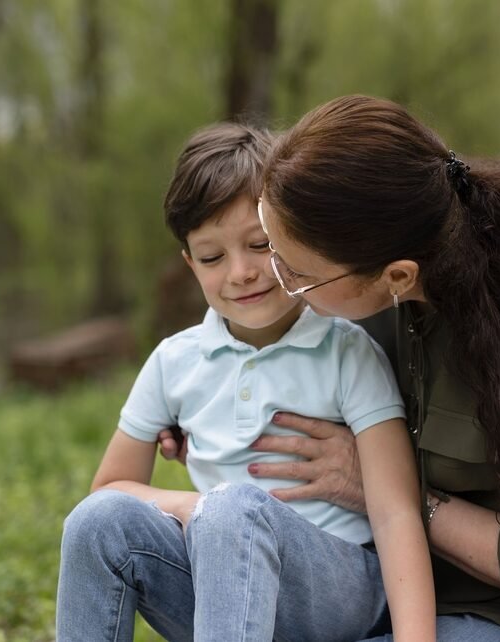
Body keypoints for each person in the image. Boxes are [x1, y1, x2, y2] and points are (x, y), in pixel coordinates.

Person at [167, 94, 500, 642]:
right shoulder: (367, 278)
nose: (277, 280)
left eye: (297, 275)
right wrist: (206, 405)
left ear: (397, 276)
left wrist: (384, 489)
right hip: (414, 597)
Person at [56, 122, 436, 642]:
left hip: (338, 591)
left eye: (260, 244)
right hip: (221, 586)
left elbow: (396, 513)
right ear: (190, 264)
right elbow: (109, 489)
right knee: (96, 522)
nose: (240, 272)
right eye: (212, 257)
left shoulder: (345, 351)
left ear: (294, 236)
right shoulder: (175, 361)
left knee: (234, 510)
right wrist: (196, 507)